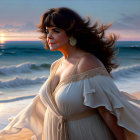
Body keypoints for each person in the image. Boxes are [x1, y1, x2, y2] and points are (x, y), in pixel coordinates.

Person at [1, 7, 140, 140]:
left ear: (71, 33)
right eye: (47, 31)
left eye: (55, 31)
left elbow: (107, 112)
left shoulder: (87, 62)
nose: (49, 36)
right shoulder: (56, 65)